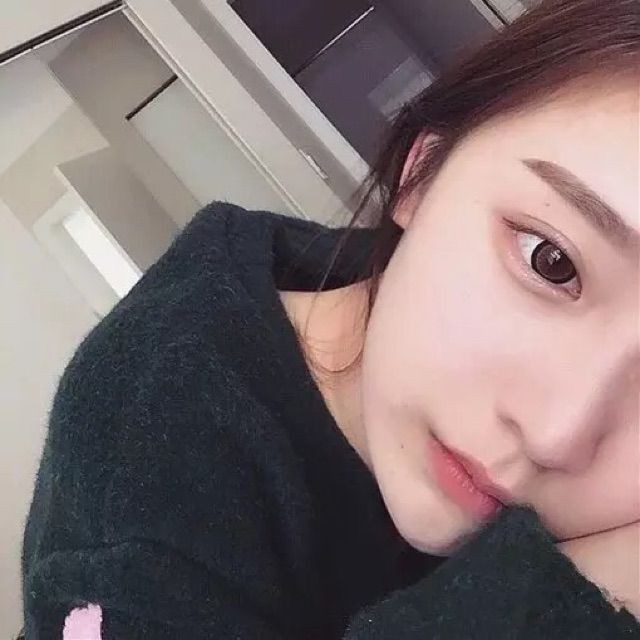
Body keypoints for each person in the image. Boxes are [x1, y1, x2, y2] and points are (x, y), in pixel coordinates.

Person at [22, 0, 639, 638]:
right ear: (421, 174)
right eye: (551, 262)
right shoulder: (150, 485)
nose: (556, 434)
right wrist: (588, 594)